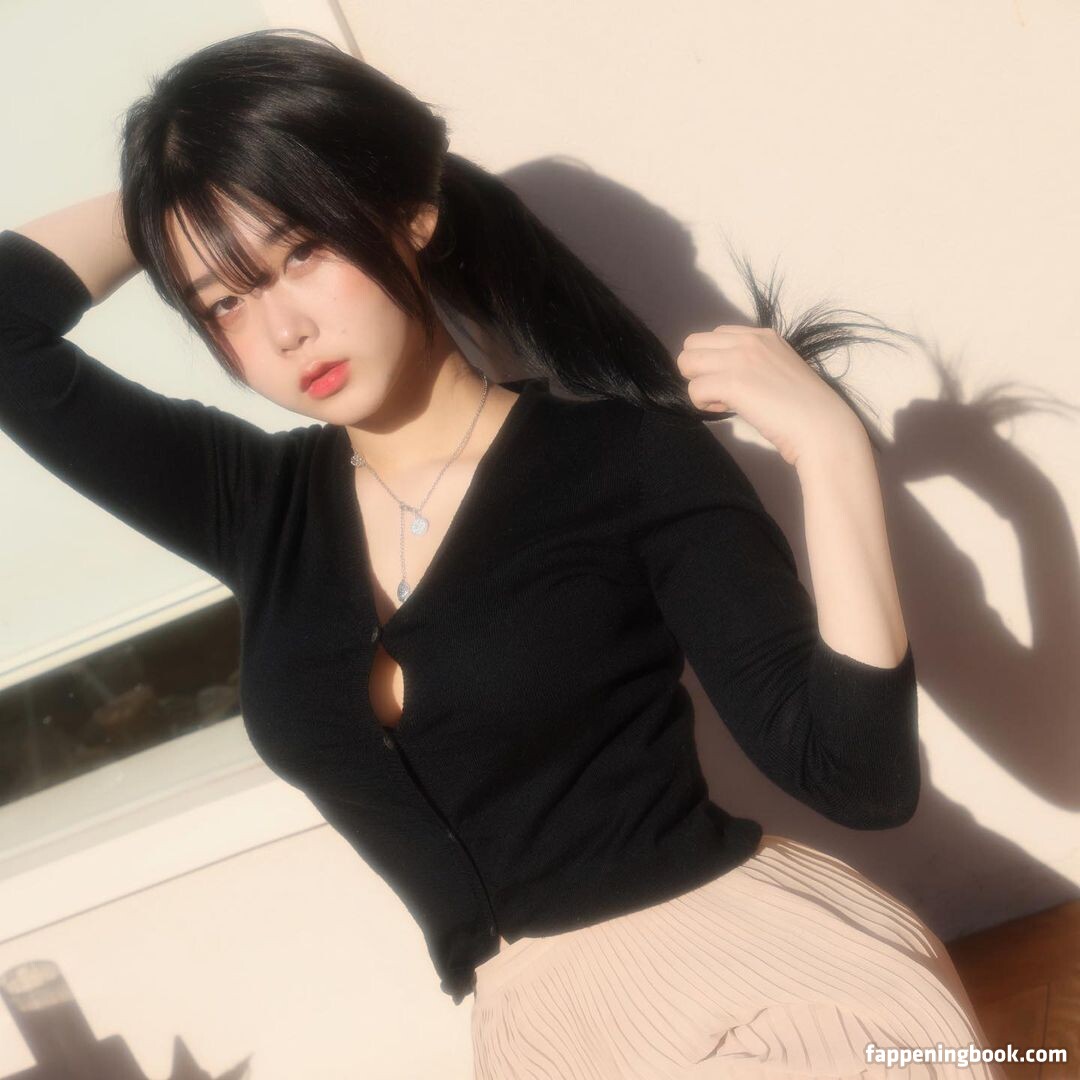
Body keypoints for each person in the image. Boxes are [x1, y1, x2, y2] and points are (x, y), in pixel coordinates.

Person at [1, 28, 1006, 1080]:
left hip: (762, 998)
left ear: (408, 215)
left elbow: (859, 776)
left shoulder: (626, 457)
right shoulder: (257, 509)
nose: (283, 327)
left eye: (302, 250)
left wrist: (831, 452)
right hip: (532, 1038)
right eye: (225, 299)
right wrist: (185, 175)